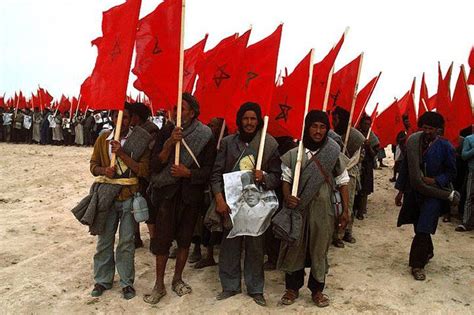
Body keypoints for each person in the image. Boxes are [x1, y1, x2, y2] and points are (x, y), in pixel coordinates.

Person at [72, 103, 151, 299]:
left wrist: (122, 153)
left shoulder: (141, 140)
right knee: (104, 241)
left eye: (125, 117)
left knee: (126, 242)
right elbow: (93, 166)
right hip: (106, 197)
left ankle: (126, 282)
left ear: (131, 119)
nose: (121, 121)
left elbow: (143, 170)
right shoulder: (102, 139)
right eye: (117, 116)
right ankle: (102, 280)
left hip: (129, 196)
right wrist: (103, 170)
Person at [144, 93, 216, 304]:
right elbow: (154, 166)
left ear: (192, 113)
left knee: (184, 240)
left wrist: (188, 173)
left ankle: (177, 279)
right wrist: (168, 145)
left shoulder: (206, 135)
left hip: (190, 196)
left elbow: (209, 170)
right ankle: (159, 284)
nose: (177, 112)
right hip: (167, 194)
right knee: (162, 241)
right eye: (175, 108)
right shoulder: (166, 130)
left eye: (182, 109)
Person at [276, 110, 350, 307]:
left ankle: (317, 290)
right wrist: (287, 197)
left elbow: (343, 181)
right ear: (307, 128)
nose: (318, 131)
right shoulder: (294, 154)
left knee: (319, 249)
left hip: (323, 210)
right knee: (294, 247)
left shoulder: (333, 154)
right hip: (298, 209)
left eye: (322, 127)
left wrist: (345, 210)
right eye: (314, 126)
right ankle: (292, 288)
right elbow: (286, 179)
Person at [211, 102, 281, 307]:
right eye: (245, 119)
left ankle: (255, 288)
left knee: (256, 247)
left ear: (258, 121)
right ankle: (230, 285)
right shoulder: (227, 143)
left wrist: (265, 177)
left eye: (253, 119)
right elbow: (215, 174)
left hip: (257, 207)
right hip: (231, 206)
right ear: (239, 121)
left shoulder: (268, 145)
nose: (249, 123)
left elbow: (277, 176)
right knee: (230, 244)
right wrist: (219, 199)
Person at [395, 112, 459, 281]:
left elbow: (452, 172)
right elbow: (406, 168)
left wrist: (436, 180)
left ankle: (417, 265)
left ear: (438, 130)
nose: (427, 131)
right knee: (419, 227)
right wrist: (400, 191)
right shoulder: (414, 142)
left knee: (424, 227)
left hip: (433, 194)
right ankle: (428, 251)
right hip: (414, 192)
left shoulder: (446, 147)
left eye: (431, 129)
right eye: (425, 128)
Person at [331, 106, 365, 247]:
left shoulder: (356, 136)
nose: (334, 121)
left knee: (348, 204)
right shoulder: (332, 135)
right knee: (334, 204)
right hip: (333, 174)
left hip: (349, 174)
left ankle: (344, 232)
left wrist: (343, 166)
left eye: (336, 119)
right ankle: (334, 233)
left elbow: (359, 157)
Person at [127, 102, 159, 249]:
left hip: (147, 174)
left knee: (148, 206)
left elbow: (150, 152)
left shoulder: (151, 131)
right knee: (133, 206)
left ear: (137, 117)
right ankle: (136, 236)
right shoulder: (132, 130)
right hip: (133, 173)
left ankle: (153, 238)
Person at [355, 115, 380, 219]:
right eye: (365, 124)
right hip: (356, 165)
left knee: (364, 190)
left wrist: (368, 146)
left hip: (367, 166)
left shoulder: (372, 137)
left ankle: (361, 211)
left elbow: (374, 154)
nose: (366, 126)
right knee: (356, 188)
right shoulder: (356, 134)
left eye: (368, 124)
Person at [456, 126, 474, 232]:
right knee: (470, 197)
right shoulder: (469, 139)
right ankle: (466, 222)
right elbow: (464, 155)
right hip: (472, 172)